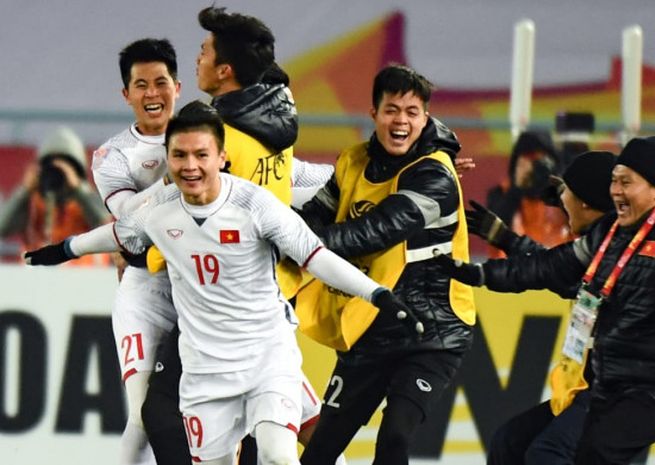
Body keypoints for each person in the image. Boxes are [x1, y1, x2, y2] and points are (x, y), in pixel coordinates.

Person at [25, 101, 423, 465]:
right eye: (179, 155)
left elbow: (315, 256)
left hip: (267, 358)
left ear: (222, 157)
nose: (190, 166)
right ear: (168, 158)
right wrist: (62, 250)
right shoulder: (159, 211)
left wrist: (376, 294)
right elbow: (117, 234)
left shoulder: (256, 205)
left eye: (201, 155)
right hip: (204, 372)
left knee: (277, 455)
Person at [140, 8, 344, 465]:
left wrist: (149, 256)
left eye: (204, 51)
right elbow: (293, 185)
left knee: (164, 414)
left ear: (225, 69)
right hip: (272, 287)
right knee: (278, 406)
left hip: (225, 294)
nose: (197, 59)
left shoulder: (217, 138)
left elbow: (190, 217)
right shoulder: (273, 128)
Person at [433, 135, 655, 465]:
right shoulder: (611, 234)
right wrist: (481, 272)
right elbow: (554, 267)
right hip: (609, 381)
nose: (614, 190)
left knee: (567, 453)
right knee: (511, 443)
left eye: (625, 182)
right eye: (614, 181)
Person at [294, 64, 475, 465]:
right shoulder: (352, 160)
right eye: (392, 110)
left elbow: (374, 233)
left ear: (426, 117)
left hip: (432, 333)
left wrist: (294, 242)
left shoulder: (436, 177)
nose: (402, 121)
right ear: (373, 113)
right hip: (371, 327)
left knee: (394, 438)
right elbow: (318, 214)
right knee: (320, 448)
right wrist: (293, 235)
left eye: (412, 112)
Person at [461, 150, 617, 465]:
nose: (560, 203)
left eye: (566, 195)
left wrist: (480, 273)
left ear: (586, 202)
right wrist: (506, 239)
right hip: (589, 386)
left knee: (547, 454)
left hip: (619, 390)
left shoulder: (613, 251)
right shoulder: (600, 248)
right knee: (510, 443)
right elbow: (554, 268)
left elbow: (548, 270)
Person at [89, 38, 182, 465]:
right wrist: (177, 178)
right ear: (126, 95)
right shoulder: (112, 156)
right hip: (145, 292)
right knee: (143, 417)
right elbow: (126, 218)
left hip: (203, 287)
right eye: (140, 84)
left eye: (160, 82)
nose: (152, 93)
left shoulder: (208, 135)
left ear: (177, 87)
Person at [0, 126, 109, 265]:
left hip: (84, 280)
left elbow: (104, 221)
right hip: (35, 280)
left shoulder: (88, 201)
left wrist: (79, 188)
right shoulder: (32, 204)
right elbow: (2, 228)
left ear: (77, 171)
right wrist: (24, 191)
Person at [484, 130, 570, 257]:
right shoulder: (501, 194)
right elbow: (493, 229)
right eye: (531, 160)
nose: (538, 170)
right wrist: (518, 186)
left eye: (542, 163)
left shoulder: (564, 197)